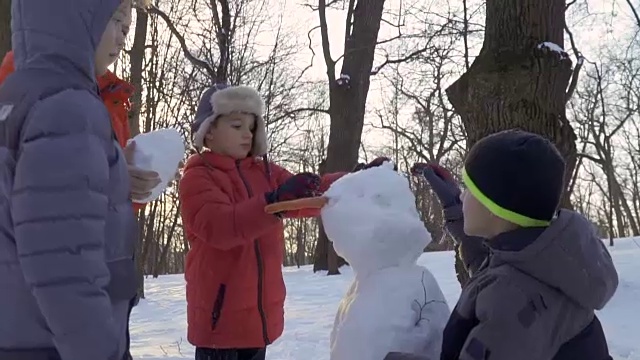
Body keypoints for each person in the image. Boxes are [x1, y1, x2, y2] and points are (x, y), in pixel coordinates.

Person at [179, 83, 390, 360]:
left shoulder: (264, 172)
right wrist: (273, 202)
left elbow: (311, 192)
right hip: (220, 323)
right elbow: (221, 228)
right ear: (208, 132)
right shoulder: (198, 177)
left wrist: (357, 180)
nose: (247, 134)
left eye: (252, 127)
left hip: (258, 319)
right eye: (236, 125)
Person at [0, 0, 159, 359]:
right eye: (113, 20)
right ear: (75, 14)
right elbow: (63, 267)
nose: (122, 36)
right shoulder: (66, 108)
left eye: (127, 27)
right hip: (56, 344)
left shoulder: (17, 95)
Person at [403, 129, 618, 359]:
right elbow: (496, 273)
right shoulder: (546, 261)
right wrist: (457, 215)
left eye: (469, 190)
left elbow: (506, 294)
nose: (462, 196)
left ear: (495, 209)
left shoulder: (511, 301)